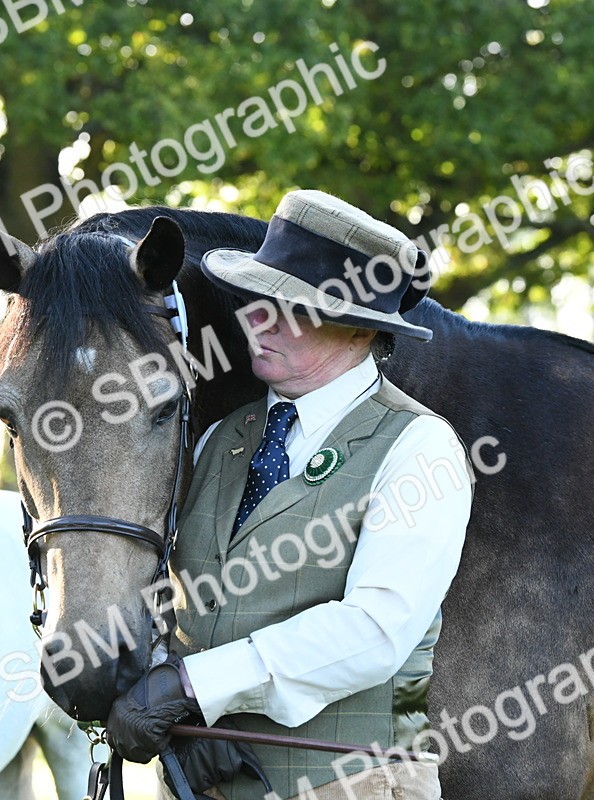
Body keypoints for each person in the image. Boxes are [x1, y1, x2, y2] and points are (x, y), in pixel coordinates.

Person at [107, 190, 474, 800]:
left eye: (290, 308)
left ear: (360, 329)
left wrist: (193, 686)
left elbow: (376, 631)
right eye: (255, 300)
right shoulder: (221, 437)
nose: (257, 320)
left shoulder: (421, 448)